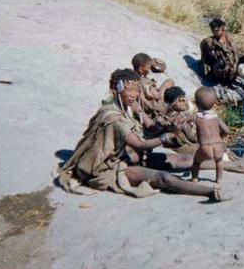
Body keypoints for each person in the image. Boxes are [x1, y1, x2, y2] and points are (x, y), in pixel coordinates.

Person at [57, 69, 234, 201]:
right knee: (162, 178)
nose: (134, 95)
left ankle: (238, 166)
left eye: (136, 91)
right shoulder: (112, 117)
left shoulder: (129, 106)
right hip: (110, 166)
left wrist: (163, 127)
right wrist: (168, 135)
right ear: (116, 89)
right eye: (129, 90)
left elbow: (150, 128)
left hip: (131, 156)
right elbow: (140, 144)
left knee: (186, 160)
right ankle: (210, 192)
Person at [191, 86, 229, 185]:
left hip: (205, 146)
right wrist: (222, 135)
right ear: (214, 103)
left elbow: (187, 119)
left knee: (196, 162)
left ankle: (195, 179)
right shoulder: (216, 116)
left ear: (197, 104)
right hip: (218, 145)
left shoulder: (196, 117)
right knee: (219, 162)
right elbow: (226, 130)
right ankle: (219, 180)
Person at [200, 18, 244, 87]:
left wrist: (235, 65)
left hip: (232, 66)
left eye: (220, 29)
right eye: (215, 30)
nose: (219, 32)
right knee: (223, 61)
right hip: (219, 69)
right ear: (212, 30)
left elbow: (235, 53)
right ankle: (225, 82)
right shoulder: (209, 41)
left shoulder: (227, 38)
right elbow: (213, 59)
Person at [131, 52, 175, 118]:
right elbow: (148, 102)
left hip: (151, 99)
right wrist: (161, 106)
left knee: (170, 81)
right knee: (170, 82)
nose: (149, 70)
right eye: (148, 68)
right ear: (140, 69)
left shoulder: (134, 77)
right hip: (154, 105)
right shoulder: (143, 83)